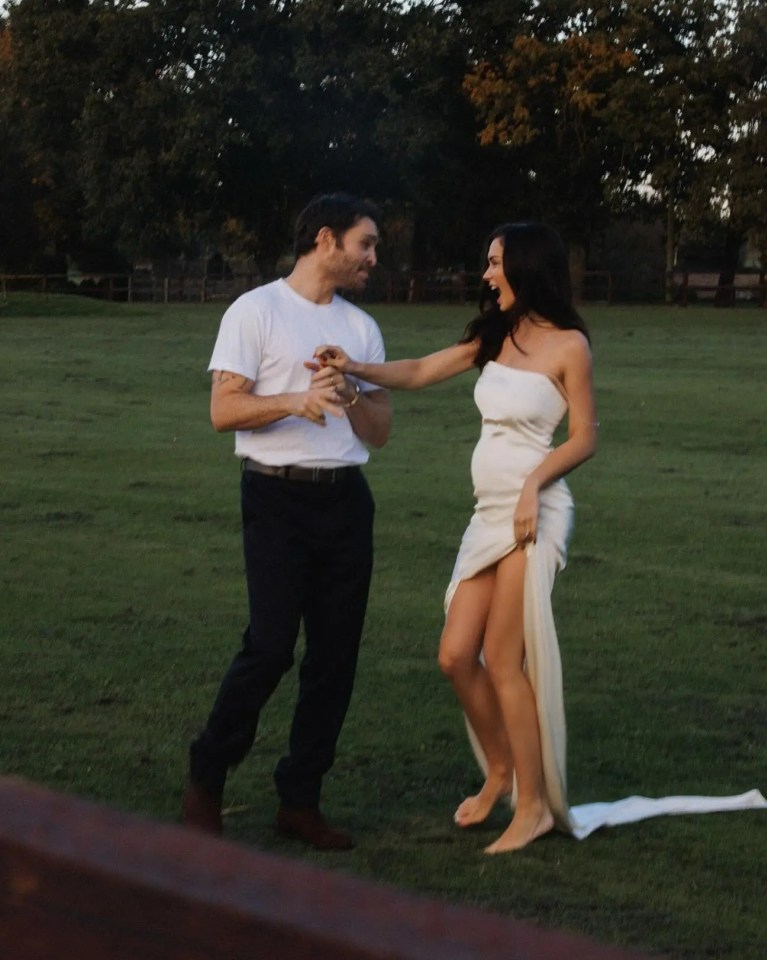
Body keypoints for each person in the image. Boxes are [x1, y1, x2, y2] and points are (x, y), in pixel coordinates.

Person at [316, 221, 597, 854]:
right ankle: (499, 770)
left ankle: (533, 808)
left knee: (502, 658)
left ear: (526, 267)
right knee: (453, 654)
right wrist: (353, 366)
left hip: (534, 515)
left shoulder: (569, 346)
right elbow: (418, 371)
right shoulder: (493, 335)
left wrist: (534, 487)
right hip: (487, 513)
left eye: (495, 263)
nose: (487, 274)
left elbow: (585, 436)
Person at [182, 192, 392, 851]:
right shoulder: (256, 311)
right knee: (270, 646)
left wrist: (350, 388)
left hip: (345, 501)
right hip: (275, 499)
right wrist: (295, 401)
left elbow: (380, 432)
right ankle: (207, 777)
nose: (374, 259)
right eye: (366, 245)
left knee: (335, 658)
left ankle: (300, 800)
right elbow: (224, 411)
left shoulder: (360, 329)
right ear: (325, 240)